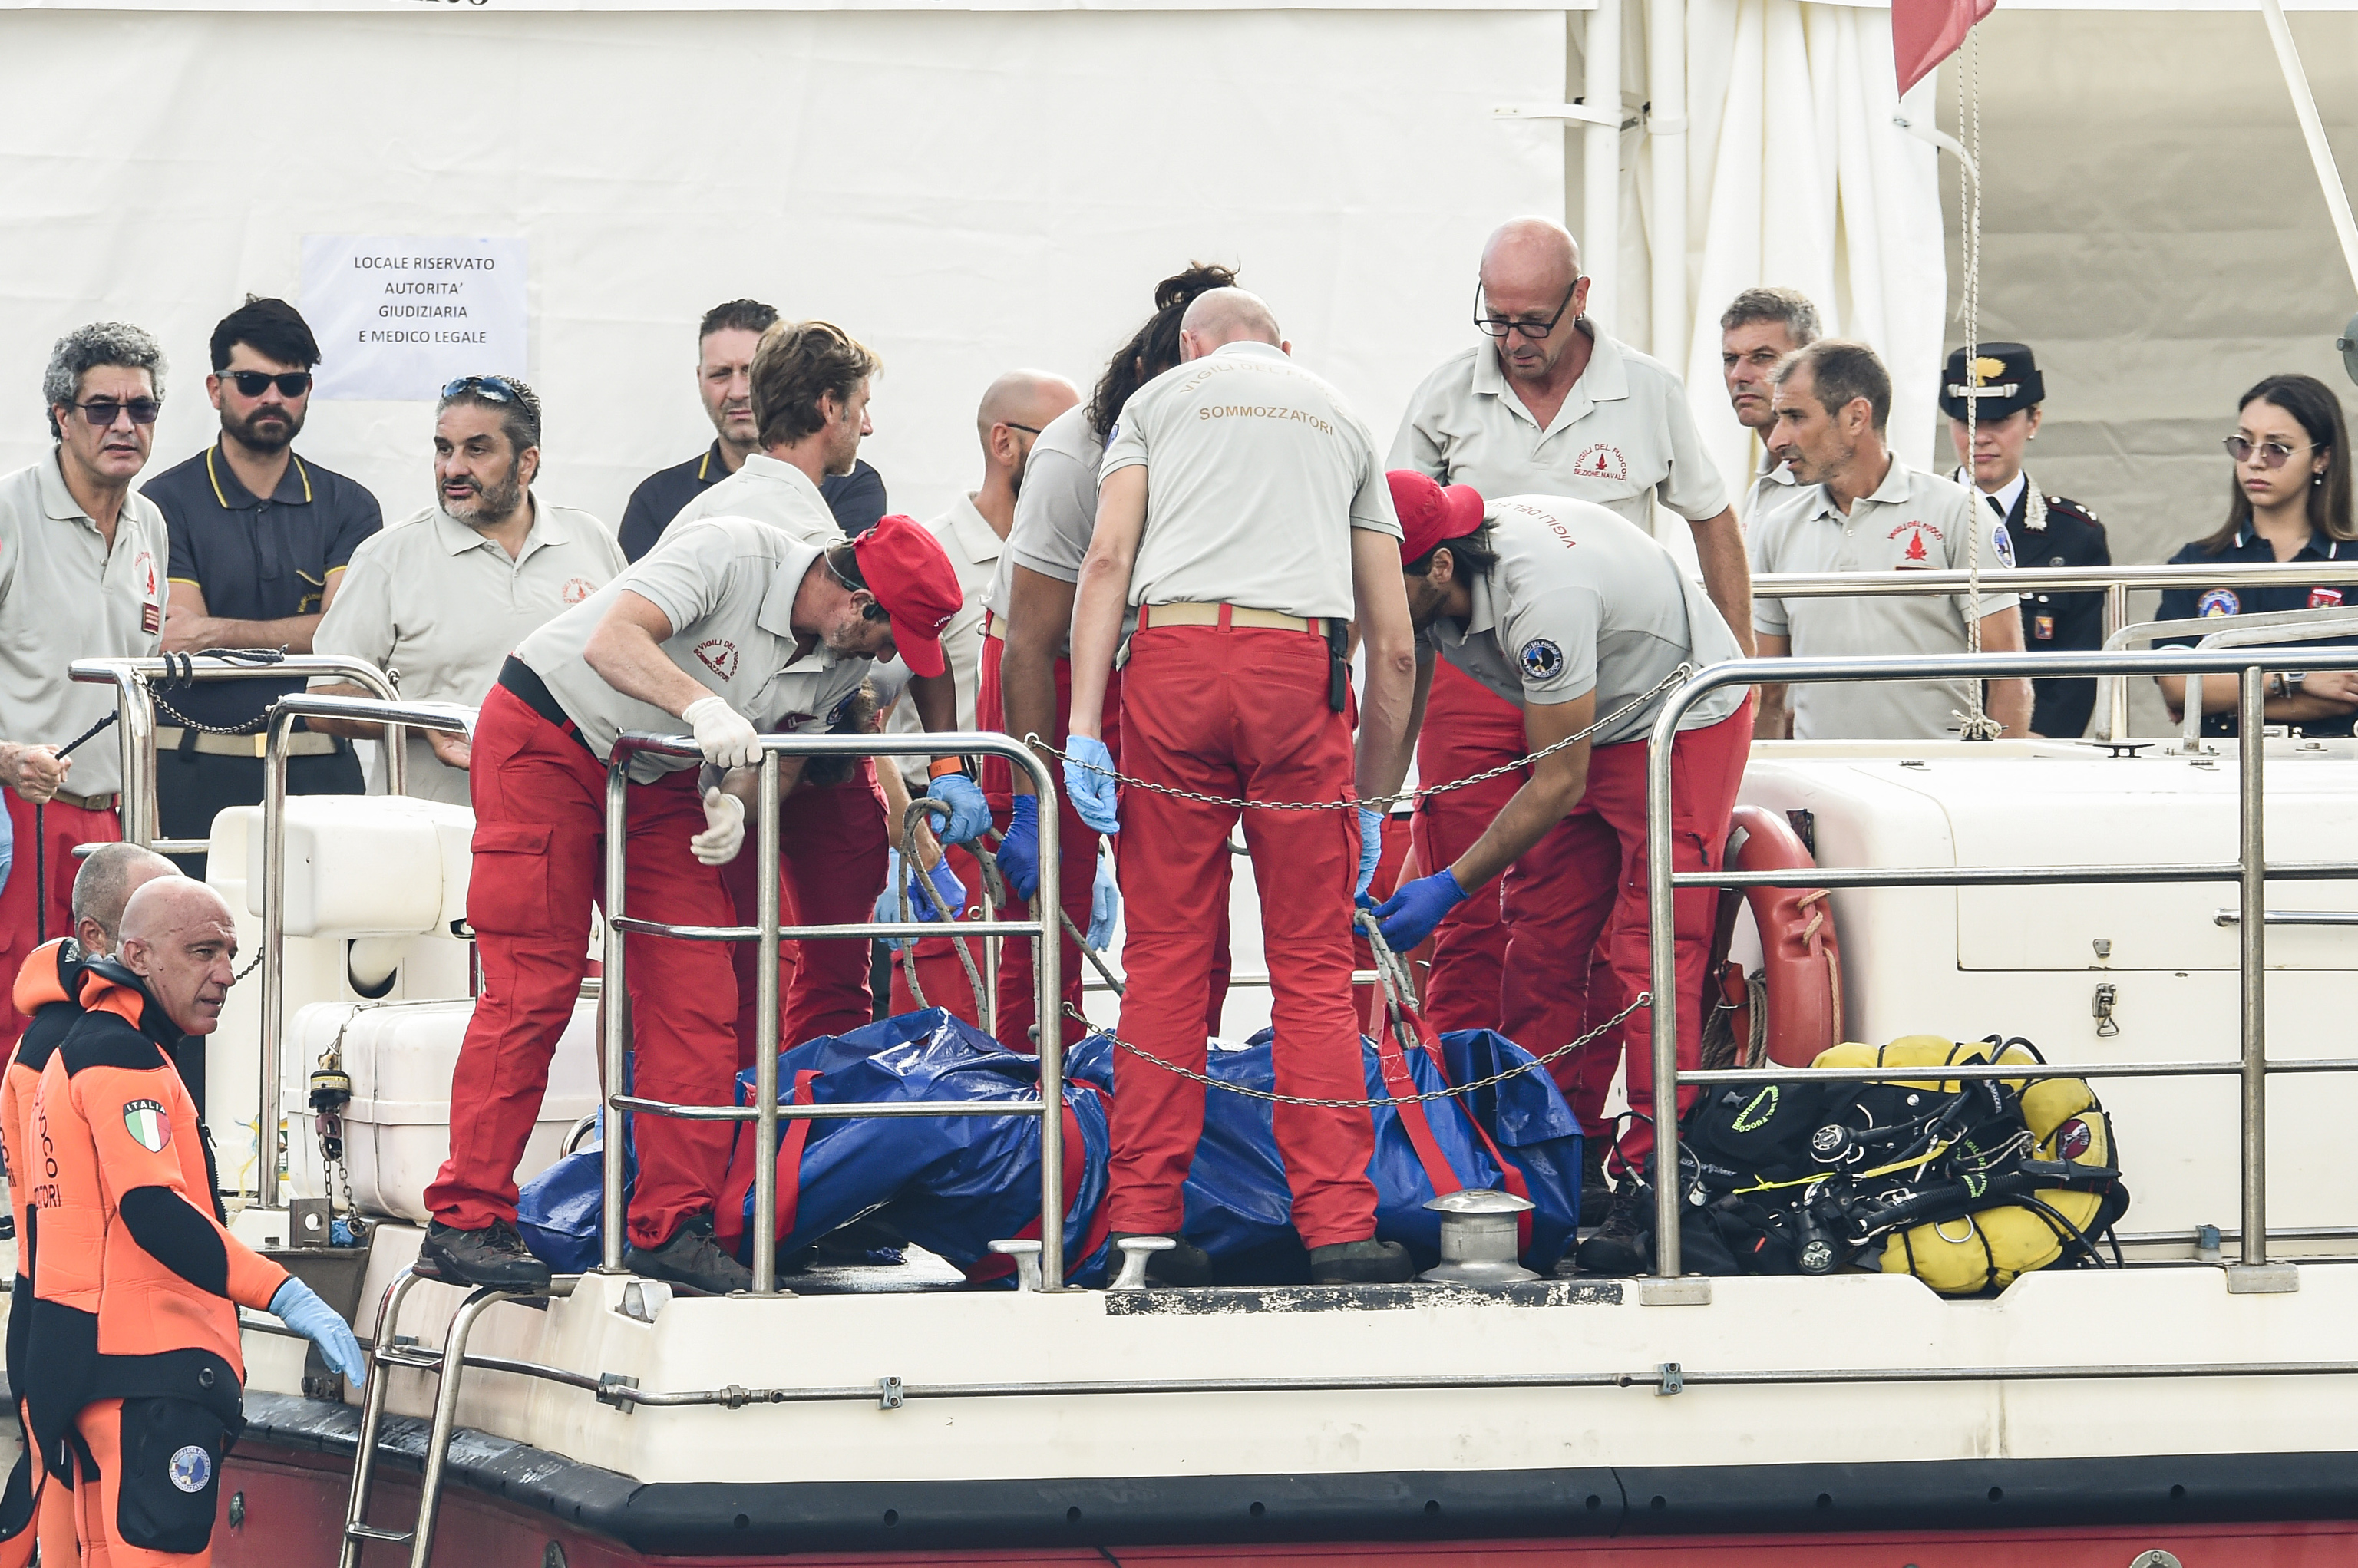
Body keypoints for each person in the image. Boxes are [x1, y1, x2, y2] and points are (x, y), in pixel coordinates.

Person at [418, 512, 963, 1296]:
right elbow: (615, 643)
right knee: (535, 981)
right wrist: (700, 704)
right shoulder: (733, 551)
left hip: (657, 772)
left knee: (703, 989)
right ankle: (465, 1217)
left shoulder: (842, 666)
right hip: (546, 735)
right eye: (889, 637)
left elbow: (756, 762)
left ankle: (671, 1223)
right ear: (857, 603)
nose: (887, 659)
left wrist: (733, 805)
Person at [1389, 218, 1750, 1216]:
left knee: (1646, 934)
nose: (1513, 339)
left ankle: (1653, 1165)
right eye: (1496, 320)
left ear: (1579, 298)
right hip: (1503, 670)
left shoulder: (1647, 394)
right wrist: (1372, 804)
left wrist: (1756, 666)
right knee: (1525, 929)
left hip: (1650, 694)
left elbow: (1712, 524)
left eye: (1532, 320)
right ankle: (1527, 1143)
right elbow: (1401, 633)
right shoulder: (1443, 410)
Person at [1066, 287, 1420, 1287]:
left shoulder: (1161, 402)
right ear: (1284, 347)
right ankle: (1341, 1228)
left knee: (1168, 956)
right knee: (1311, 962)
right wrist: (1374, 799)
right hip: (1295, 668)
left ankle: (1141, 1224)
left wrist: (1085, 729)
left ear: (1191, 346)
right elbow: (1393, 645)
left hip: (1170, 661)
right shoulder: (1339, 412)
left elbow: (1105, 560)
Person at [1366, 475, 1750, 1273]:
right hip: (1597, 713)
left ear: (1440, 569)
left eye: (1382, 578)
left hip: (1680, 723)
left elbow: (1557, 781)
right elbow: (1407, 687)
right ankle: (1550, 1152)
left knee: (1651, 951)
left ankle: (1656, 1177)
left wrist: (1451, 886)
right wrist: (1373, 818)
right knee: (1542, 938)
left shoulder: (1543, 604)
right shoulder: (1431, 585)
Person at [660, 320, 984, 1054]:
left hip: (744, 765)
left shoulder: (708, 513)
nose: (869, 425)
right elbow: (868, 676)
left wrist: (937, 773)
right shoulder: (790, 528)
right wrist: (934, 783)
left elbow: (903, 644)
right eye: (862, 405)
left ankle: (765, 1142)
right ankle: (796, 1143)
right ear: (829, 406)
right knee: (789, 978)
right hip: (757, 767)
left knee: (748, 974)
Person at [22, 877, 364, 1568]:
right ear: (139, 955)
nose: (225, 974)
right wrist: (283, 1292)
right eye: (203, 951)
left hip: (82, 1374)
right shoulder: (126, 1057)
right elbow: (156, 1211)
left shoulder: (68, 1051)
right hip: (149, 1385)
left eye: (231, 953)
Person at [984, 266, 1240, 1054]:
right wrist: (1033, 796)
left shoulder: (1232, 433)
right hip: (1047, 658)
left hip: (1151, 659)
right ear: (1142, 380)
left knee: (1186, 889)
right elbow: (1029, 641)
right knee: (1046, 896)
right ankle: (1035, 1075)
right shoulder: (1071, 456)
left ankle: (1181, 1066)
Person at [141, 298, 382, 874]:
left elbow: (345, 641)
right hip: (194, 772)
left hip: (322, 773)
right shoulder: (164, 501)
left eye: (291, 382)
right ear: (214, 388)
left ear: (307, 389)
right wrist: (305, 634)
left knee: (331, 958)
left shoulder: (350, 504)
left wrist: (220, 630)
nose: (272, 397)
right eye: (252, 381)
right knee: (194, 953)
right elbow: (179, 642)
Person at [309, 375, 624, 806]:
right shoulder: (389, 556)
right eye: (444, 448)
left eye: (477, 449)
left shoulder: (589, 539)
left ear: (526, 462)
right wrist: (423, 722)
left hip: (574, 827)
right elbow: (322, 701)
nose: (453, 468)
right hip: (433, 839)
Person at [883, 369, 1082, 1025]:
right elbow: (866, 705)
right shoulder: (929, 555)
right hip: (942, 831)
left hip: (1034, 831)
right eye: (1060, 441)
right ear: (1005, 444)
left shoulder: (1078, 562)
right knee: (943, 1046)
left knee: (1047, 1019)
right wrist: (905, 838)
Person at [0, 842, 177, 1568]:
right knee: (68, 1526)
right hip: (74, 1322)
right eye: (152, 925)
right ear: (99, 938)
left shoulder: (91, 1032)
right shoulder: (72, 1043)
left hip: (63, 1317)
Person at [0, 322, 173, 1041]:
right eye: (102, 407)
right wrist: (6, 755)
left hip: (110, 821)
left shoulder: (151, 523)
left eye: (142, 408)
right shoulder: (10, 512)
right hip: (17, 812)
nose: (124, 424)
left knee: (99, 1026)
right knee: (16, 1020)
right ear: (60, 417)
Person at [1751, 340, 2033, 741]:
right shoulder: (1778, 527)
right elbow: (1767, 691)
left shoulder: (1957, 511)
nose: (1777, 438)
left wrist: (1989, 788)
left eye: (1795, 417)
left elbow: (2009, 676)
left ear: (1856, 417)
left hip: (1938, 790)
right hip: (1817, 788)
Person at [2157, 372, 2358, 737]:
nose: (2255, 461)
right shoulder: (2197, 563)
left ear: (2321, 459)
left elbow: (2346, 694)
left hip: (2332, 773)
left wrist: (2223, 693)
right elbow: (2178, 686)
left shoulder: (2351, 564)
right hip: (2218, 770)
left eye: (2277, 448)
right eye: (2244, 444)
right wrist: (2297, 678)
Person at [618, 299, 887, 560]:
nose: (737, 392)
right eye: (720, 374)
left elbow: (846, 598)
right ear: (699, 378)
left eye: (750, 372)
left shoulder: (853, 485)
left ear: (777, 376)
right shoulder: (658, 500)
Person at [1943, 342, 2110, 738]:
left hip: (2029, 747)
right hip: (1930, 738)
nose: (1980, 437)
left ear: (2033, 421)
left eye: (1998, 421)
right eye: (1966, 422)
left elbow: (2078, 667)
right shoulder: (1917, 524)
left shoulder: (2074, 535)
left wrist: (2031, 743)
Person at [1720, 286, 1821, 521]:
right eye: (1730, 359)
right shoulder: (1761, 487)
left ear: (1811, 360)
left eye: (1762, 357)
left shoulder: (1833, 486)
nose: (1739, 375)